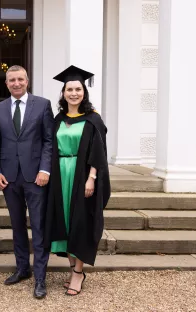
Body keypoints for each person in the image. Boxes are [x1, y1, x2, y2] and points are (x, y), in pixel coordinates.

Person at [44, 65, 111, 296]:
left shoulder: (93, 119)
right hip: (60, 175)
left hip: (82, 175)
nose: (74, 93)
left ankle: (78, 274)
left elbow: (98, 152)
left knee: (80, 221)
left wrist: (91, 179)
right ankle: (73, 268)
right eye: (69, 89)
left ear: (84, 92)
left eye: (78, 89)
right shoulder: (58, 119)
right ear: (63, 93)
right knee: (64, 220)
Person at [0, 65, 54, 299]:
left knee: (38, 227)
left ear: (27, 81)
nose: (16, 83)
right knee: (17, 226)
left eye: (20, 79)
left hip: (36, 177)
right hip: (10, 178)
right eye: (11, 80)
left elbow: (48, 140)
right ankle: (22, 269)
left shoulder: (43, 105)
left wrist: (45, 169)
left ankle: (40, 277)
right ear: (6, 83)